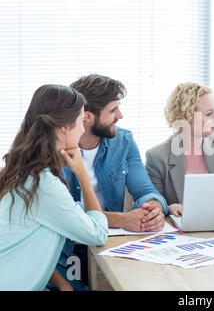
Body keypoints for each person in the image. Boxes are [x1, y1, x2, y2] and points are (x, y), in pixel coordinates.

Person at [58, 74, 168, 289]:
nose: (120, 115)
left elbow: (145, 190)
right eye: (112, 110)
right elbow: (64, 211)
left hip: (110, 245)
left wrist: (153, 209)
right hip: (67, 249)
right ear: (87, 117)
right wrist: (121, 219)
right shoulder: (56, 148)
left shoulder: (123, 141)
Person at [0, 84, 108, 291]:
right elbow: (97, 234)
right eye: (80, 122)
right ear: (64, 128)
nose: (83, 130)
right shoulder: (43, 184)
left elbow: (27, 246)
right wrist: (83, 175)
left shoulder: (23, 172)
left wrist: (63, 285)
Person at [145, 82, 214, 216]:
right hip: (184, 233)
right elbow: (152, 206)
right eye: (209, 114)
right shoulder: (157, 157)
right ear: (185, 117)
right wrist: (169, 207)